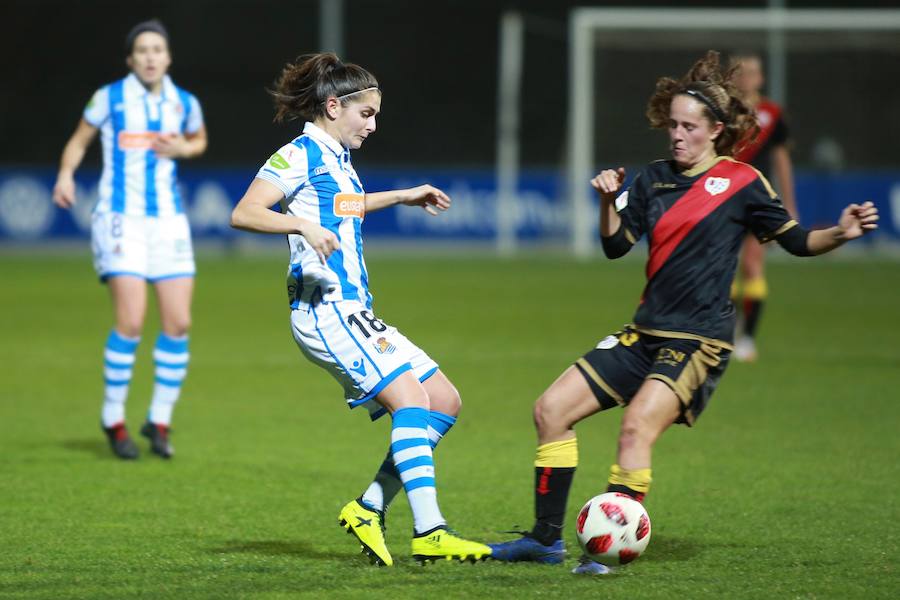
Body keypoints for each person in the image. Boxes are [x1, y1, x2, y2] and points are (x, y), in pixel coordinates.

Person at [488, 51, 878, 574]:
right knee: (550, 410)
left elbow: (797, 240)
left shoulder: (743, 183)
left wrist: (841, 232)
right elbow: (615, 246)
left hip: (698, 341)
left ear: (716, 129)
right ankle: (543, 540)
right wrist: (607, 201)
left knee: (635, 429)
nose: (677, 135)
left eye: (688, 126)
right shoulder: (650, 180)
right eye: (671, 124)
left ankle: (607, 550)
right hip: (644, 333)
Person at [229, 52, 491, 566]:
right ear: (333, 106)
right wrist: (299, 225)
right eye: (365, 114)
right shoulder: (299, 153)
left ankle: (369, 508)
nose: (373, 124)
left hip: (356, 309)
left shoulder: (338, 162)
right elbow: (245, 212)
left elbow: (342, 206)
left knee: (444, 399)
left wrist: (402, 197)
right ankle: (431, 531)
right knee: (411, 399)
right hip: (324, 310)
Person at [52, 19, 207, 460]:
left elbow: (198, 140)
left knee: (178, 323)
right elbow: (79, 141)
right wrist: (65, 175)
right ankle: (113, 417)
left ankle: (158, 419)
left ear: (168, 57)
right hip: (121, 220)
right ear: (131, 59)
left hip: (169, 221)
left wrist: (185, 149)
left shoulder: (184, 102)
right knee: (132, 321)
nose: (150, 56)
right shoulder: (110, 97)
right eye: (142, 50)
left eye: (157, 49)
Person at [730, 53, 798, 362]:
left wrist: (789, 204)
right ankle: (727, 332)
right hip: (723, 198)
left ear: (760, 78)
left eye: (751, 73)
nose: (745, 78)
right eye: (739, 73)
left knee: (753, 265)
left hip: (757, 198)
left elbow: (782, 160)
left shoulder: (772, 113)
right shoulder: (722, 112)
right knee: (725, 269)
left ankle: (747, 339)